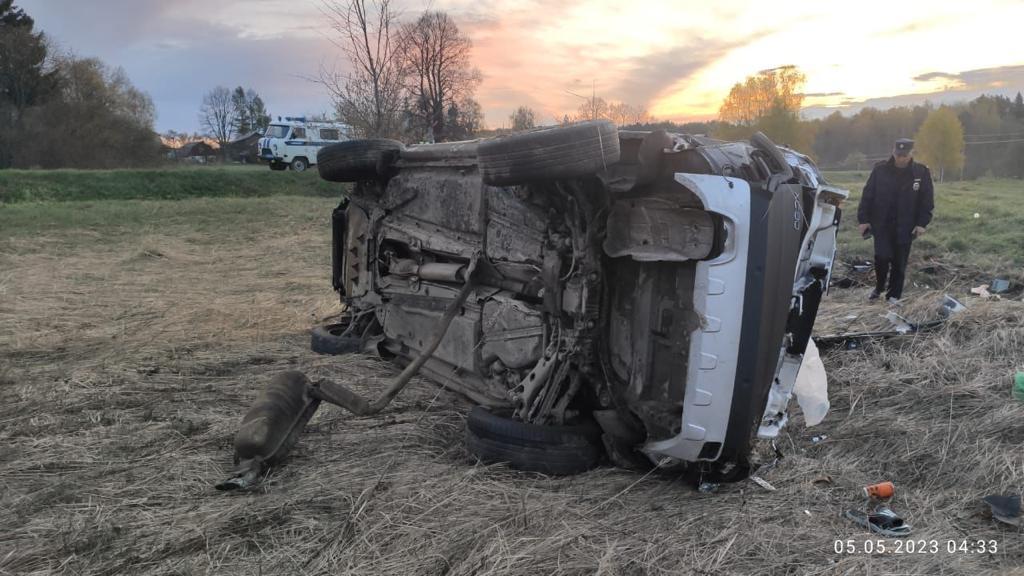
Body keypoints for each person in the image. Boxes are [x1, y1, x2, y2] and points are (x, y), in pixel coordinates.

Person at [856, 138, 934, 304]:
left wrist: (922, 223)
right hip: (882, 224)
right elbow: (868, 195)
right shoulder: (880, 170)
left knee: (899, 263)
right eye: (898, 155)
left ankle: (893, 296)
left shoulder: (920, 173)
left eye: (904, 155)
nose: (901, 158)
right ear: (893, 152)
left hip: (906, 226)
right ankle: (879, 287)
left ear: (911, 154)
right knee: (882, 257)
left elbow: (927, 201)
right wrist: (864, 219)